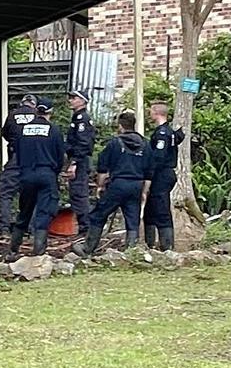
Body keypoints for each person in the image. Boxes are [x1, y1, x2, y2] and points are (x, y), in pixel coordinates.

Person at [71, 111, 152, 257]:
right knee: (132, 219)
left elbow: (103, 168)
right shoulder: (145, 145)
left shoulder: (114, 143)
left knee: (99, 214)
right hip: (136, 185)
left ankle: (87, 248)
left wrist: (100, 186)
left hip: (118, 185)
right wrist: (144, 192)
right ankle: (131, 252)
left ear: (120, 126)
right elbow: (149, 172)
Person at [6, 98, 65, 261]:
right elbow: (60, 157)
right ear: (50, 112)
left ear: (36, 110)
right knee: (43, 212)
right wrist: (55, 173)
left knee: (24, 211)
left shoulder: (22, 130)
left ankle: (13, 249)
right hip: (47, 174)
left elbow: (16, 151)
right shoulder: (54, 130)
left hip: (26, 174)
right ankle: (38, 249)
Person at [143, 102, 185, 251]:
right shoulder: (169, 132)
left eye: (151, 111)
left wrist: (149, 174)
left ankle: (167, 246)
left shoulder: (162, 133)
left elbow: (158, 157)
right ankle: (150, 243)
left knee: (161, 209)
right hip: (162, 173)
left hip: (162, 173)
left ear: (156, 113)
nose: (149, 114)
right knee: (150, 209)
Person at [0, 93, 38, 235]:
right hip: (33, 160)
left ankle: (4, 228)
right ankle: (30, 229)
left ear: (22, 103)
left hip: (15, 157)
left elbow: (5, 134)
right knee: (32, 194)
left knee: (6, 194)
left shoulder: (12, 115)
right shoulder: (38, 116)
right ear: (34, 105)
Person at [65, 89, 95, 237]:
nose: (70, 100)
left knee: (79, 194)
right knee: (76, 194)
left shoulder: (82, 119)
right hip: (77, 159)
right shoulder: (77, 118)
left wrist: (75, 162)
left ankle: (85, 228)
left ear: (83, 101)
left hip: (80, 161)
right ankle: (84, 226)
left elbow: (83, 143)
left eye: (74, 98)